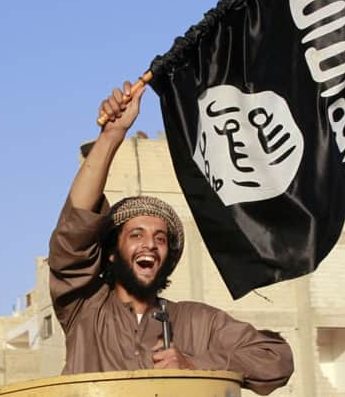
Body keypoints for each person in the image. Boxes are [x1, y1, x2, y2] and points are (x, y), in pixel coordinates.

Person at [48, 81, 294, 395]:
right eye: (136, 234)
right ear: (111, 253)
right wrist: (111, 136)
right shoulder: (85, 309)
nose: (150, 244)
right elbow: (74, 231)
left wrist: (197, 365)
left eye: (160, 238)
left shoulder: (197, 322)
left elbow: (277, 359)